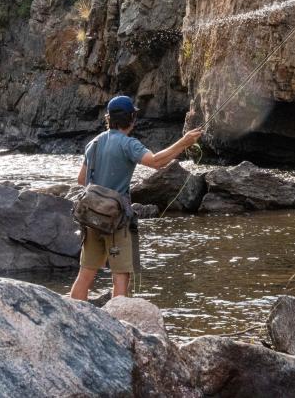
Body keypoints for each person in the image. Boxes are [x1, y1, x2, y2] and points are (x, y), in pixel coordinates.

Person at [69, 95, 203, 300]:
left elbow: (81, 180)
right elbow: (157, 162)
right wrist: (184, 142)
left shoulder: (93, 144)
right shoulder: (129, 144)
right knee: (120, 277)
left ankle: (74, 320)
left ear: (109, 119)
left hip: (91, 218)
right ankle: (119, 327)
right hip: (117, 221)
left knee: (85, 275)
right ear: (131, 119)